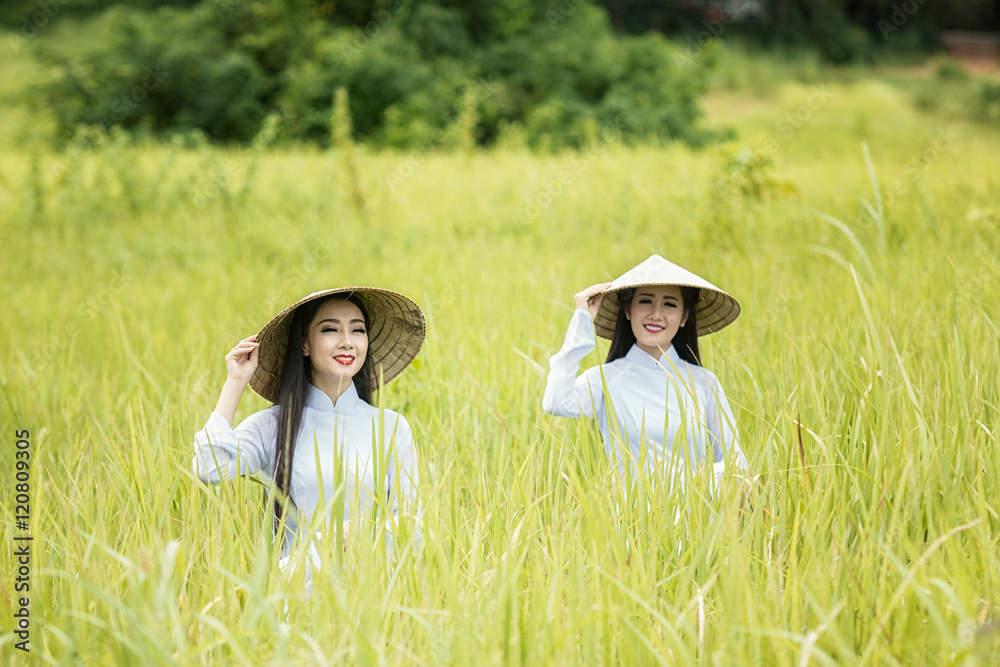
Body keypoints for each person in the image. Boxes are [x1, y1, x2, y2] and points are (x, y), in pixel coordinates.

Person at [192, 287, 425, 589]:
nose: (347, 342)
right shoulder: (275, 425)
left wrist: (357, 529)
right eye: (330, 329)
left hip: (374, 600)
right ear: (304, 344)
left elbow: (412, 523)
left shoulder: (391, 428)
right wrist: (235, 382)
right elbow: (208, 467)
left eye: (358, 330)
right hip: (294, 601)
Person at [542, 254, 749, 492]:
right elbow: (556, 402)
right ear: (627, 310)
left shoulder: (703, 382)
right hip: (629, 524)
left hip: (698, 522)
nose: (656, 314)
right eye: (646, 302)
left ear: (684, 316)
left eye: (670, 304)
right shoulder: (605, 379)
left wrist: (696, 485)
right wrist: (581, 320)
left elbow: (737, 464)